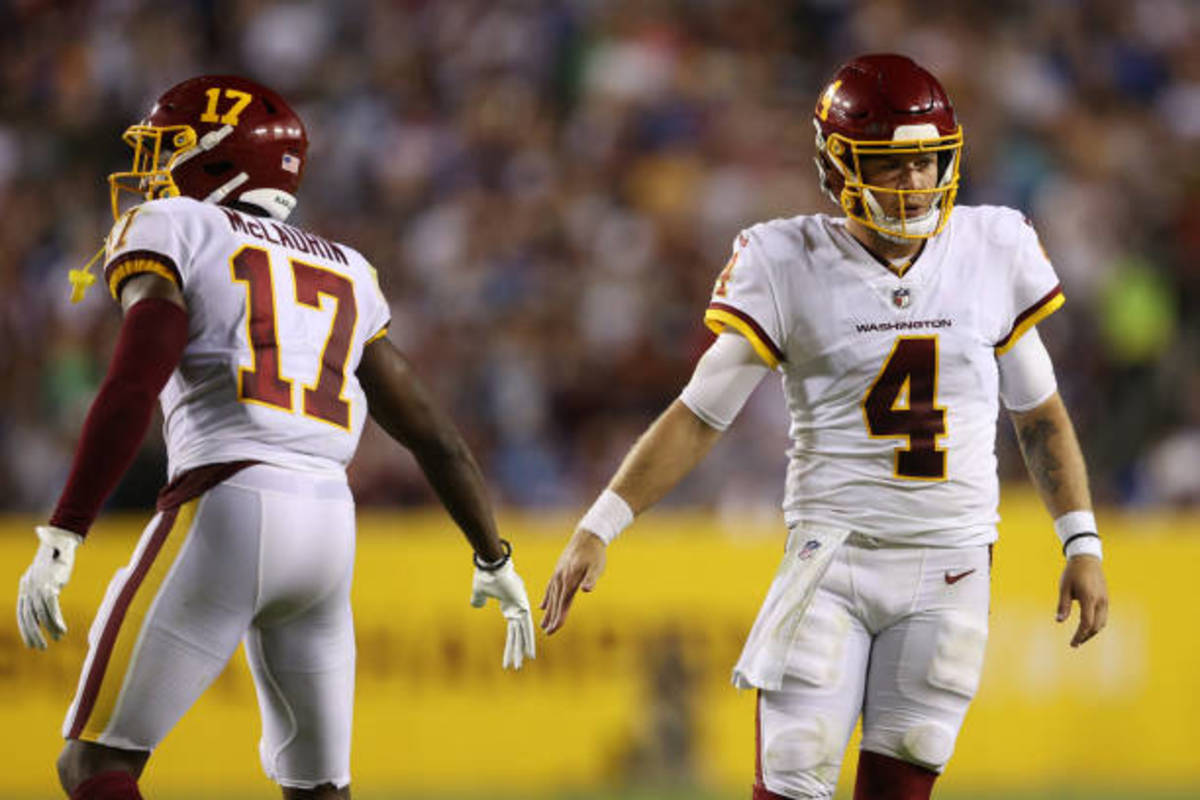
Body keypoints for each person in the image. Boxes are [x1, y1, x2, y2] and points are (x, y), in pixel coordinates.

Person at [541, 54, 1109, 800]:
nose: (915, 185)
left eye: (928, 162)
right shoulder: (788, 259)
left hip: (951, 566)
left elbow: (1039, 417)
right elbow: (700, 414)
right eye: (892, 166)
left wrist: (1082, 541)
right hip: (831, 560)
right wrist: (600, 524)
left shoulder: (991, 249)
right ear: (839, 168)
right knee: (792, 777)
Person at [15, 75, 535, 800]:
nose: (157, 166)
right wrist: (491, 553)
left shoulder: (175, 226)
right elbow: (433, 433)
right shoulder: (346, 266)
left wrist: (66, 528)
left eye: (172, 147)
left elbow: (135, 381)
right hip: (327, 525)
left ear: (221, 159)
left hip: (226, 500)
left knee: (96, 764)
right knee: (320, 791)